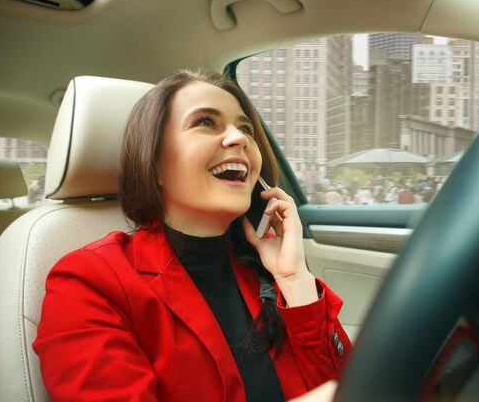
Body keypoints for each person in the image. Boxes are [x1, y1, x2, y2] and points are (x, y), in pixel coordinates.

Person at [33, 70, 351, 402]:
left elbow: (349, 384)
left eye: (245, 129)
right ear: (153, 162)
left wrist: (294, 278)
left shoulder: (266, 270)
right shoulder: (88, 283)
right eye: (205, 123)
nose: (239, 138)